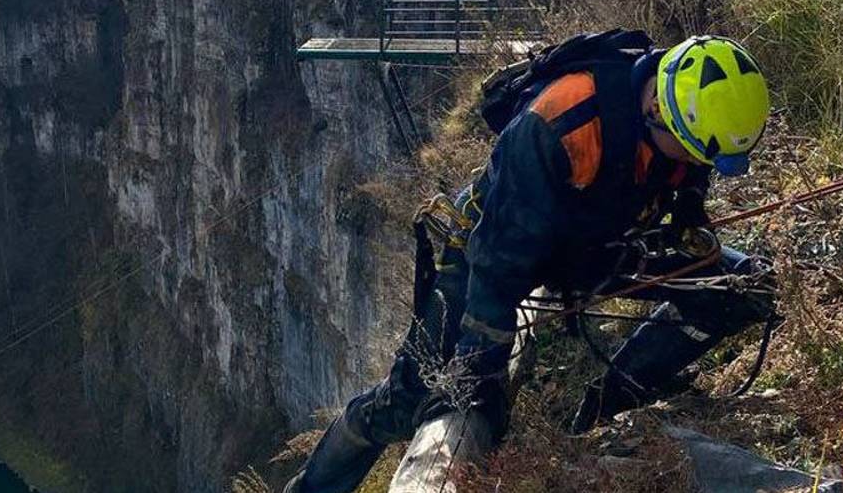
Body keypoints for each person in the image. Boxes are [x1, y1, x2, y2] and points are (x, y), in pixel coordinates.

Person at [284, 31, 777, 493]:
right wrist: (481, 367)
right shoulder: (562, 124)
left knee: (741, 288)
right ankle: (317, 483)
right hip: (488, 248)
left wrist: (689, 213)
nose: (696, 165)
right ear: (655, 109)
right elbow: (498, 261)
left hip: (598, 246)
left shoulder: (683, 112)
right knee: (410, 398)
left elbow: (691, 166)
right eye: (691, 154)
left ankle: (607, 408)